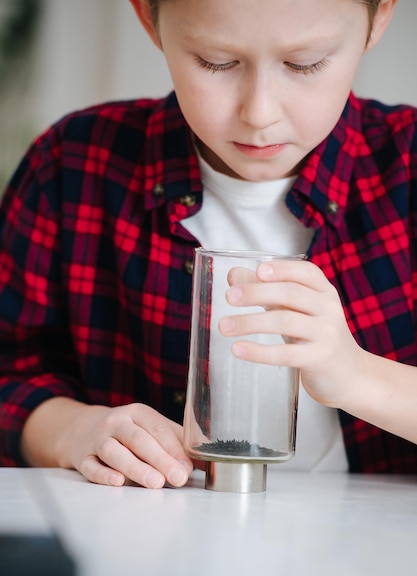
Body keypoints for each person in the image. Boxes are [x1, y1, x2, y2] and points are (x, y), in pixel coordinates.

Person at [1, 0, 416, 488]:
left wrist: (358, 377)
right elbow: (10, 372)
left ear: (379, 19)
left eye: (305, 63)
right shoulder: (73, 165)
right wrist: (74, 430)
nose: (259, 113)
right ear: (147, 18)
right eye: (216, 62)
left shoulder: (406, 165)